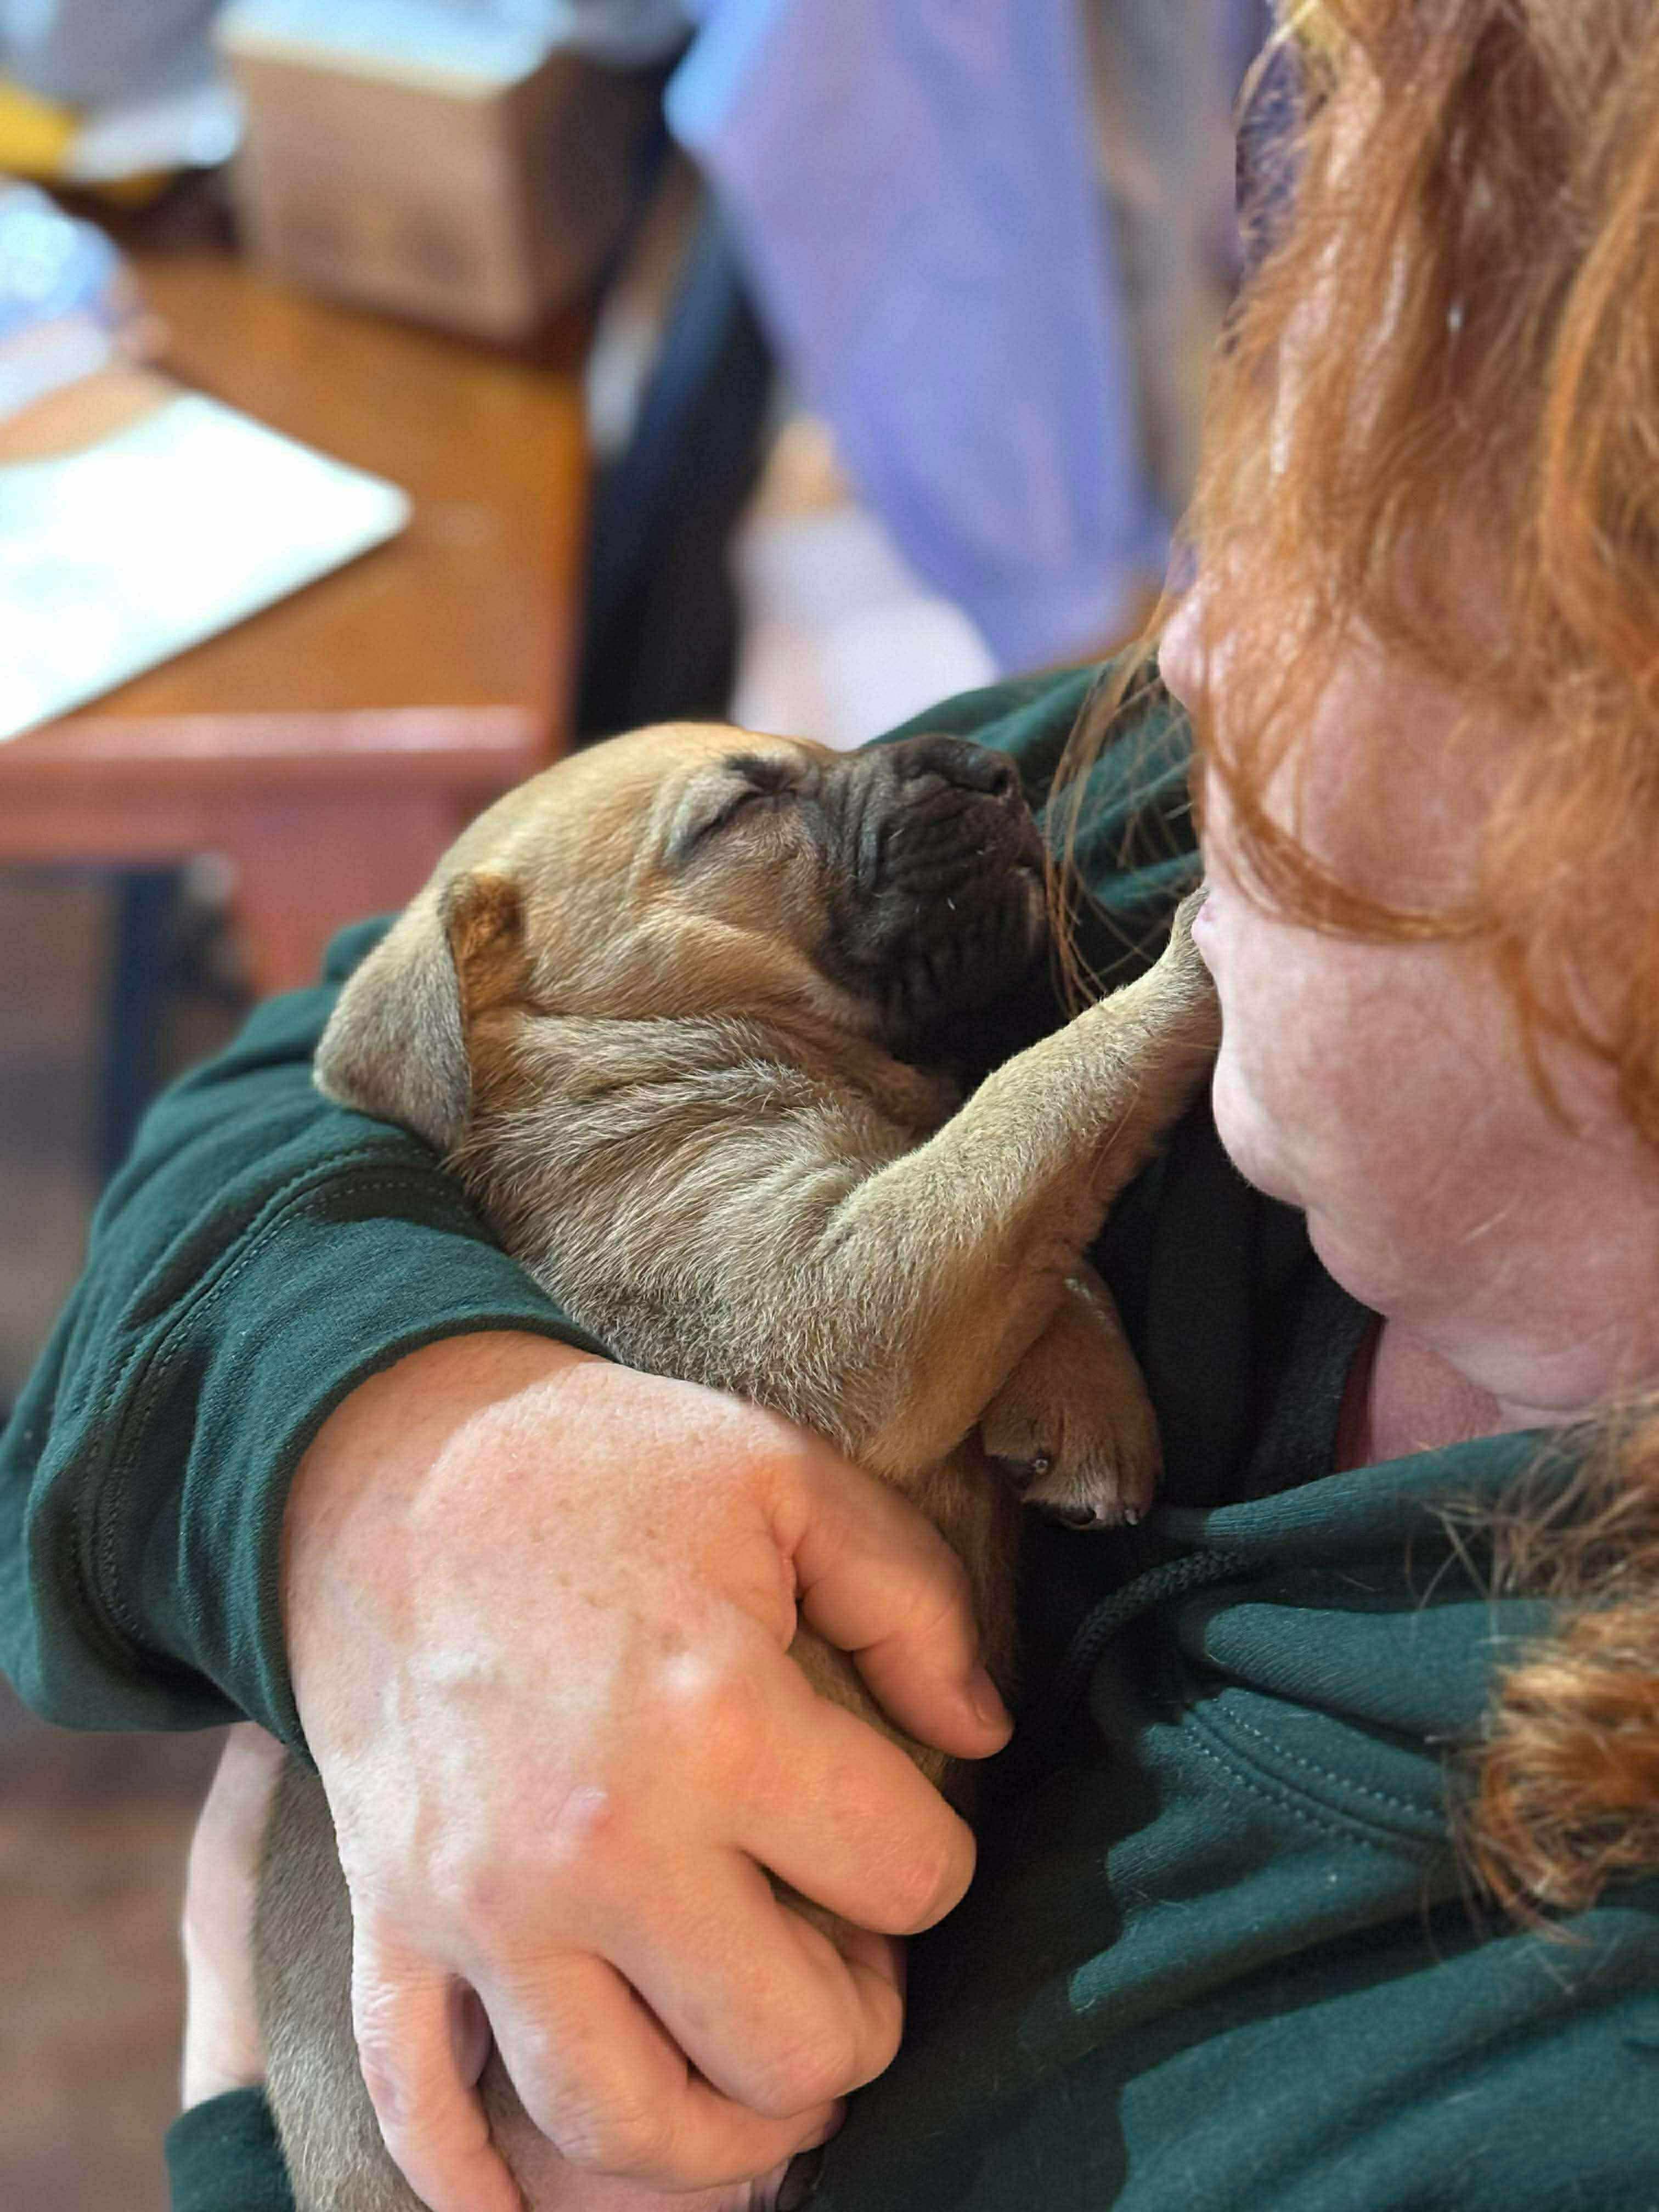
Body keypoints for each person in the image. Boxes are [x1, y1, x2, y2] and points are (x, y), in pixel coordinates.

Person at [7, 3, 1659, 2207]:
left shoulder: (1539, 2097)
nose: (1183, 640)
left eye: (1356, 542)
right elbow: (271, 1101)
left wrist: (236, 2115)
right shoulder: (1190, 832)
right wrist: (390, 1461)